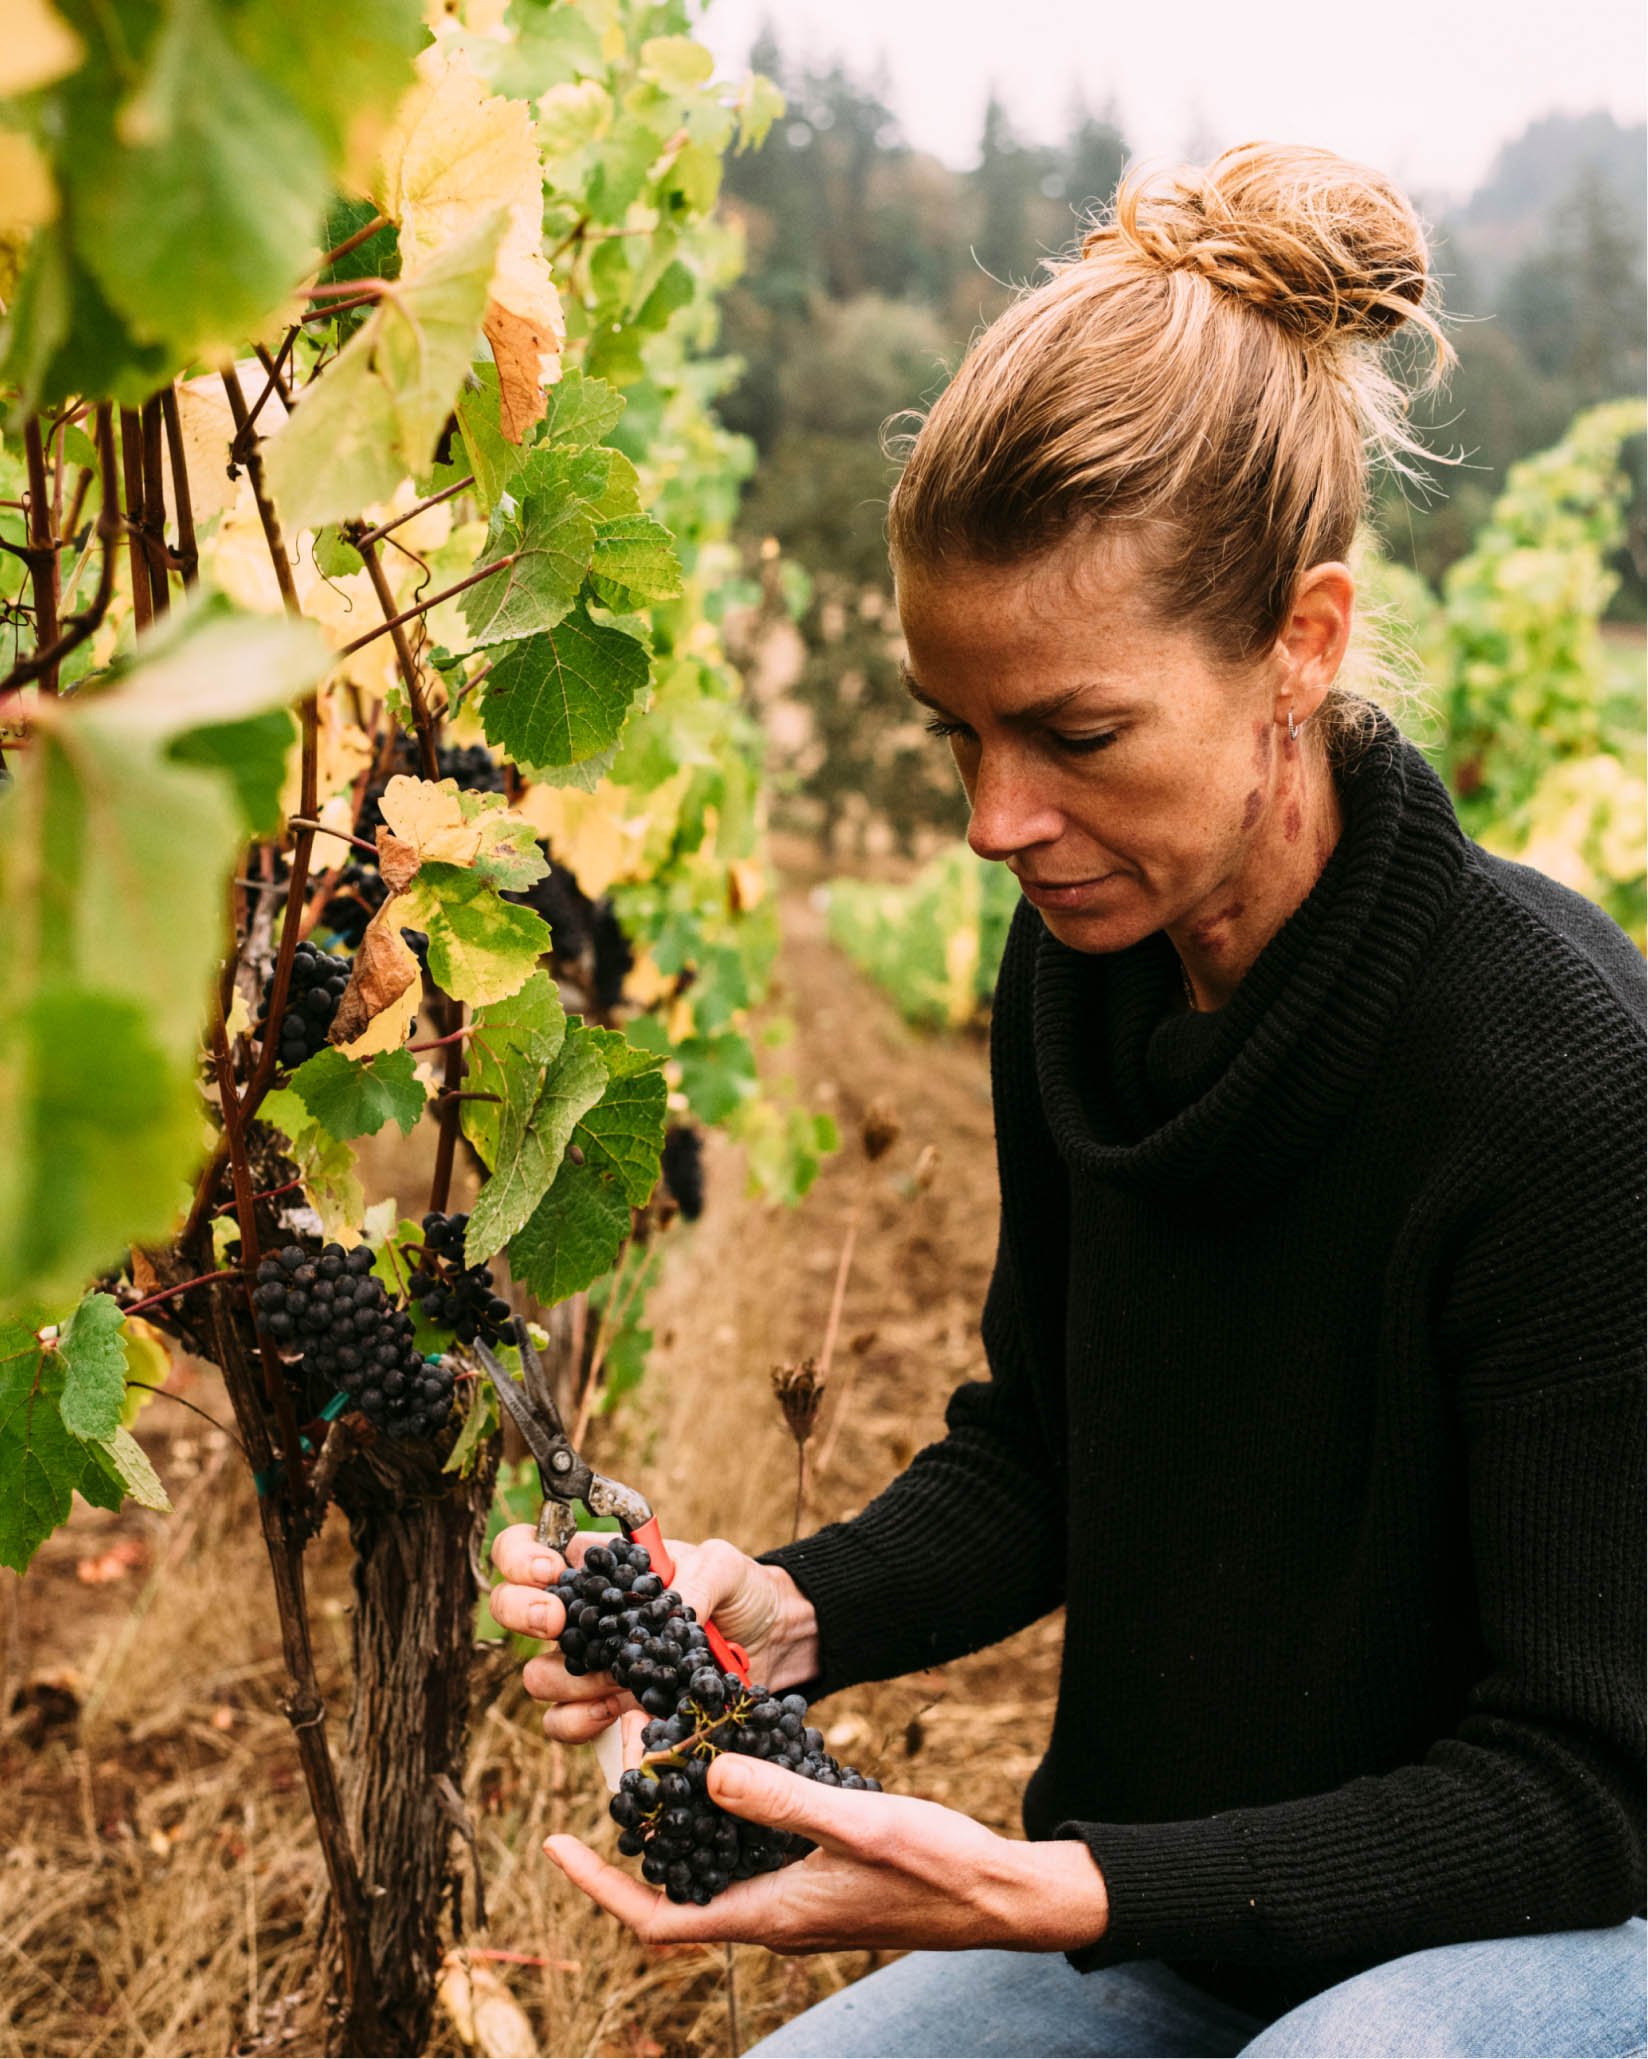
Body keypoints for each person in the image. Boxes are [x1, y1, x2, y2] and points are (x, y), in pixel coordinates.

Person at [489, 142, 1646, 2057]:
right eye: (961, 733)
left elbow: (1589, 1790)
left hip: (1567, 1925)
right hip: (1203, 1915)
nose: (991, 821)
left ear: (1304, 641)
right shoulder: (1085, 974)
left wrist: (1064, 1890)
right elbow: (1046, 1458)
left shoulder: (1559, 1083)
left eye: (1074, 734)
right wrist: (778, 1610)